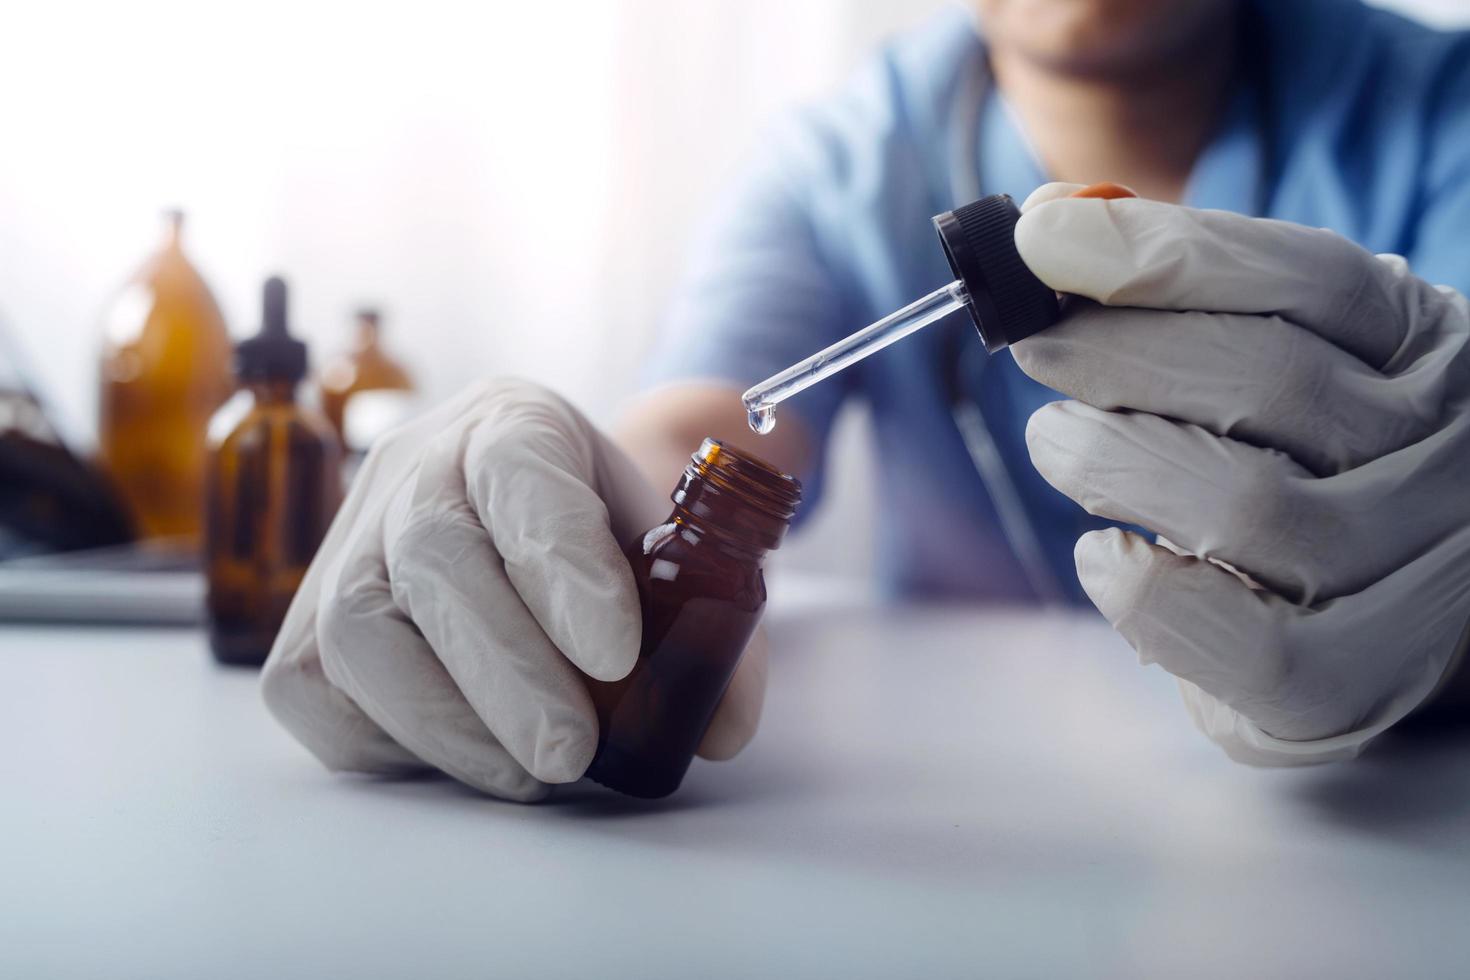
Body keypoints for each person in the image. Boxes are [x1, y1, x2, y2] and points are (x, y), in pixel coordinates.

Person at [260, 0, 1470, 800]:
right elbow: (708, 431)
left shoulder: (1439, 109)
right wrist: (547, 498)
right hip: (956, 805)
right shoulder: (841, 162)